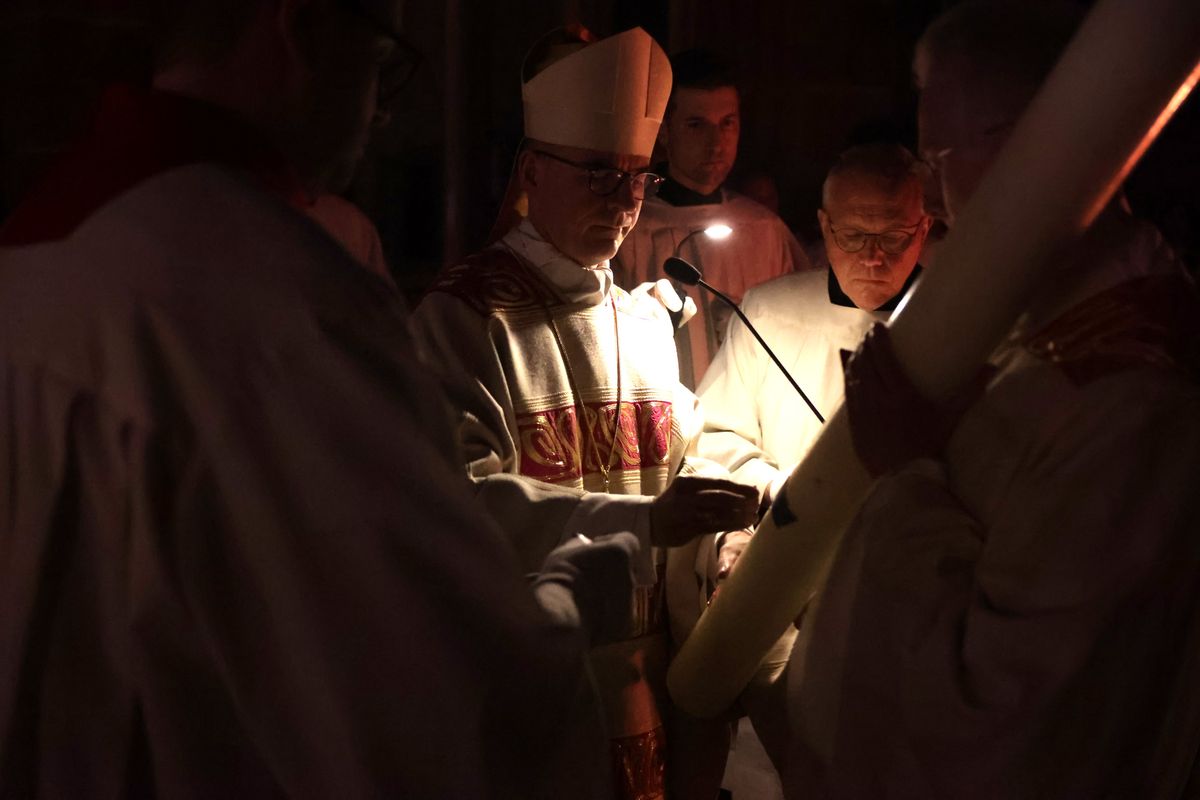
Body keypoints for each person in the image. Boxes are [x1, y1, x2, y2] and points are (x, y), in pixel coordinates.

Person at [0, 1, 644, 796]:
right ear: (301, 30)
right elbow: (431, 686)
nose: (380, 109)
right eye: (378, 60)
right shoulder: (273, 297)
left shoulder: (42, 242)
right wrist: (574, 599)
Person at [778, 2, 1200, 797]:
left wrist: (907, 470)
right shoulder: (1022, 323)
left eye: (938, 160)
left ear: (1033, 146)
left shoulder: (1134, 396)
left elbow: (1000, 719)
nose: (933, 204)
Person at [410, 27, 759, 800]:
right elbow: (455, 505)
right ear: (533, 171)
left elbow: (684, 449)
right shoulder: (467, 318)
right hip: (531, 675)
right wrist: (642, 523)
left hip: (655, 676)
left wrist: (741, 497)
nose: (625, 201)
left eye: (637, 177)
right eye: (599, 173)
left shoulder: (640, 320)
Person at [697, 142, 931, 501]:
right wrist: (777, 488)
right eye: (852, 236)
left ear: (924, 229)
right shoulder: (767, 312)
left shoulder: (957, 320)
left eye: (893, 237)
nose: (872, 257)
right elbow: (716, 434)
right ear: (824, 225)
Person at [612, 49, 812, 390]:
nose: (716, 143)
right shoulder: (629, 228)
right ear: (665, 131)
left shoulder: (765, 229)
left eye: (727, 123)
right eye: (696, 125)